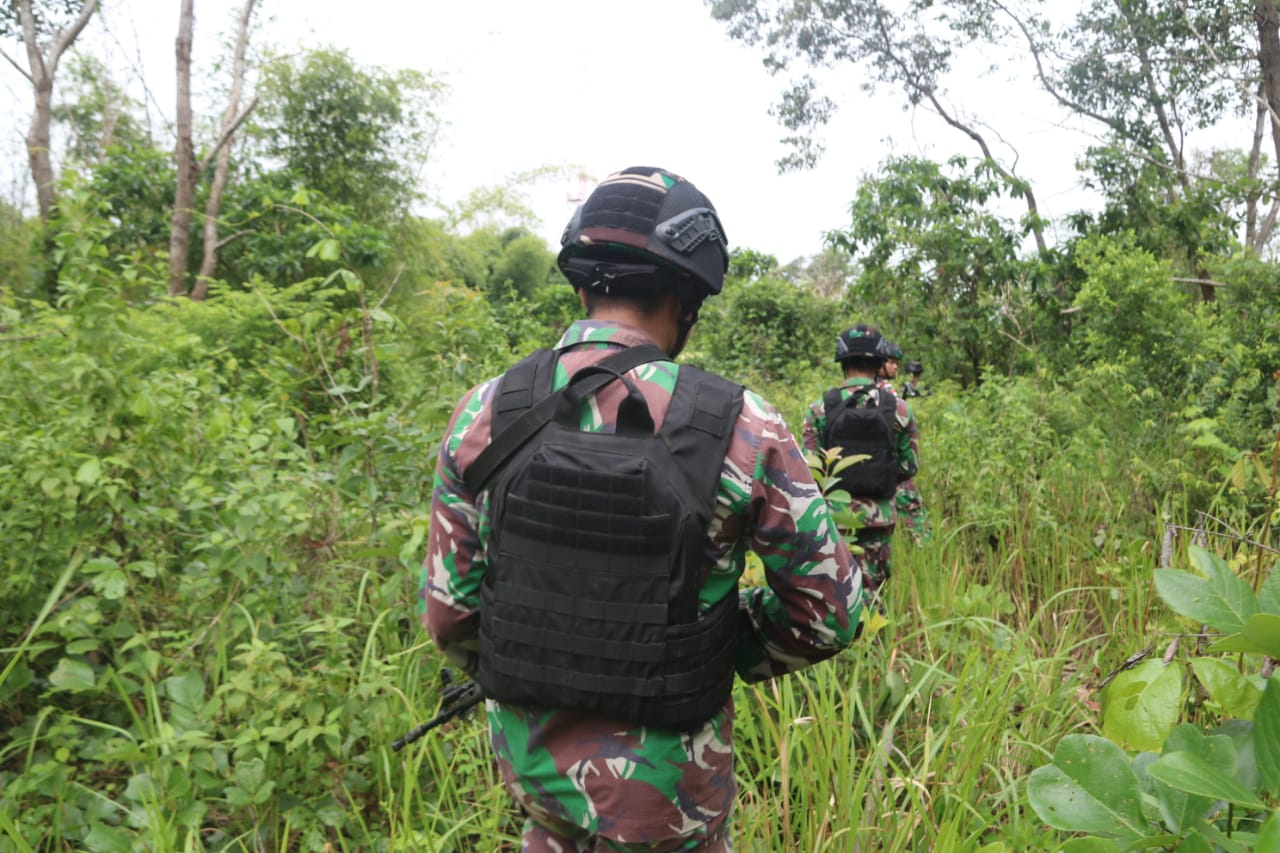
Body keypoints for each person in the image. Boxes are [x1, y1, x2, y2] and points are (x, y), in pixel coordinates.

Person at [422, 166, 861, 852]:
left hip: (534, 775)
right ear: (685, 299)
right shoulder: (743, 426)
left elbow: (450, 616)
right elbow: (830, 613)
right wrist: (711, 645)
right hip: (671, 799)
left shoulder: (485, 410)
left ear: (581, 284)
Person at [802, 325, 918, 598]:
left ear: (843, 363)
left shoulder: (820, 408)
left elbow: (810, 470)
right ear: (879, 363)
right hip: (880, 517)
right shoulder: (899, 409)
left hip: (834, 516)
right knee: (874, 593)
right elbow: (908, 467)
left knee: (834, 593)